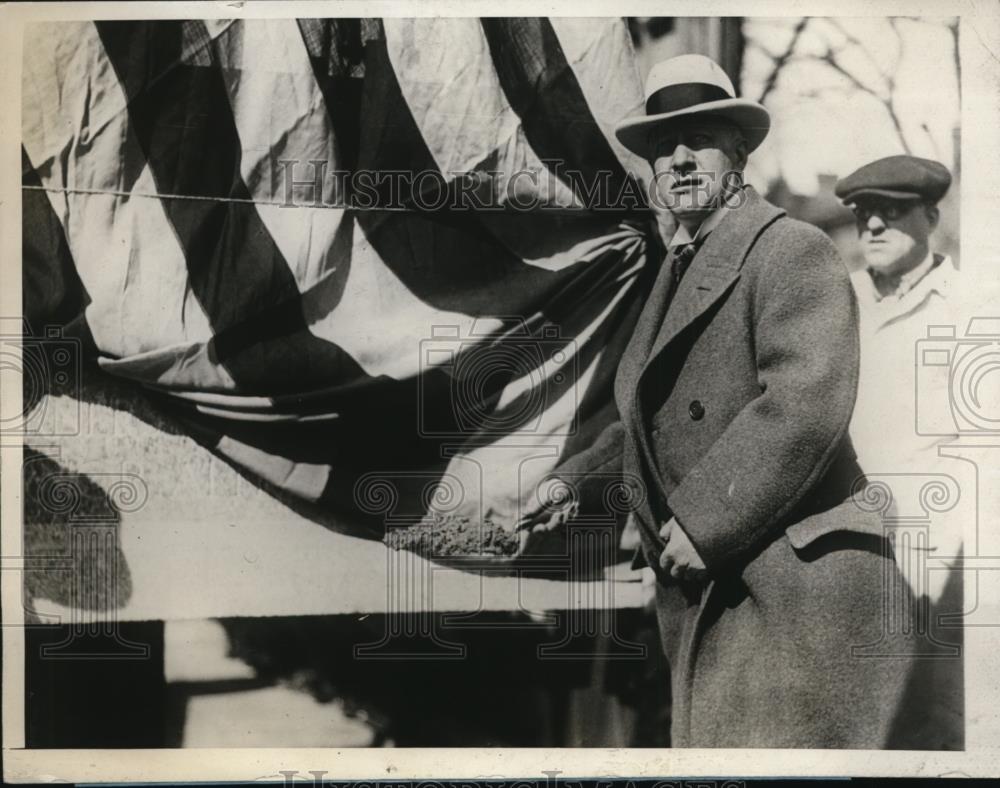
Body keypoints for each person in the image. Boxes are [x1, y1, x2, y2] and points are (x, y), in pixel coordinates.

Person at [519, 54, 917, 748]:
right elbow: (650, 422)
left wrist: (704, 521)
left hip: (800, 594)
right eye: (660, 147)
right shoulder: (680, 266)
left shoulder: (791, 249)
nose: (676, 160)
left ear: (737, 151)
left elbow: (803, 402)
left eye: (696, 139)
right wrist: (569, 483)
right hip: (734, 583)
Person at [834, 156, 964, 749]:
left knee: (928, 722)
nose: (875, 227)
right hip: (844, 547)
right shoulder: (837, 304)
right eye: (864, 215)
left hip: (933, 555)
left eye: (893, 212)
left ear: (932, 216)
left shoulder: (967, 306)